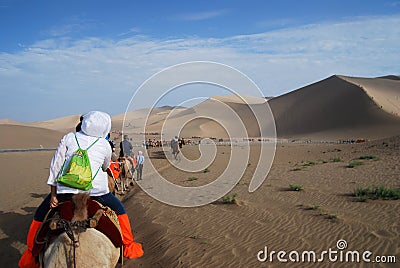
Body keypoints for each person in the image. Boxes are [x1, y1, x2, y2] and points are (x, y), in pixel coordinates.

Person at [19, 111, 143, 268]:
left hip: (66, 192)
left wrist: (53, 195)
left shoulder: (69, 138)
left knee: (40, 215)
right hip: (97, 192)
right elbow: (105, 166)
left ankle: (30, 254)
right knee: (119, 209)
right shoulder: (104, 144)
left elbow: (55, 167)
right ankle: (129, 246)